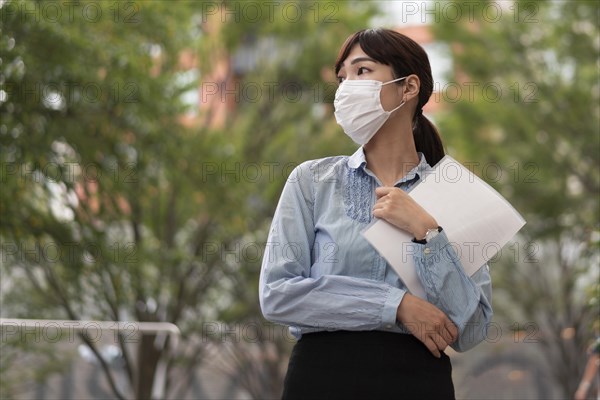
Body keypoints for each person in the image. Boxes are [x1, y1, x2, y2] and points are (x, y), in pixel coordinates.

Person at [259, 28, 493, 399]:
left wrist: (428, 234)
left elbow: (474, 327)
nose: (347, 87)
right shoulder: (313, 181)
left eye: (362, 71)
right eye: (343, 77)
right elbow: (277, 293)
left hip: (417, 383)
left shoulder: (455, 193)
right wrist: (396, 306)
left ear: (409, 87)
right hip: (321, 379)